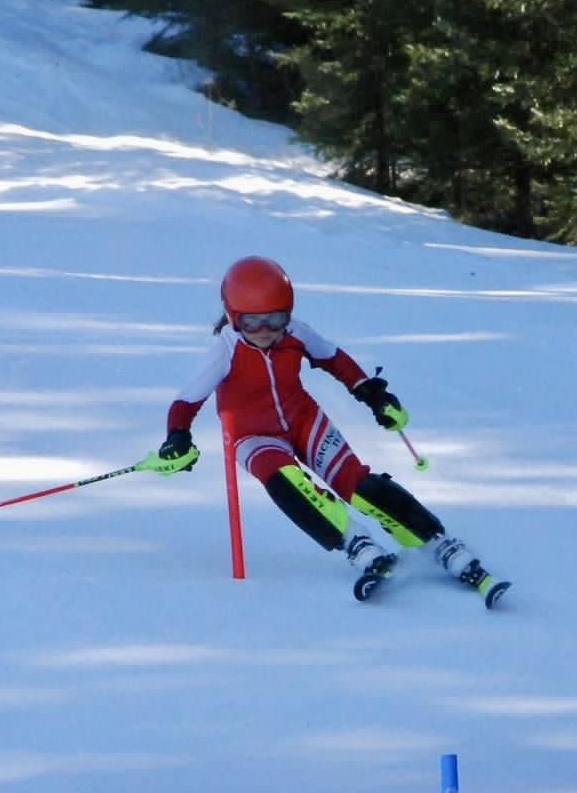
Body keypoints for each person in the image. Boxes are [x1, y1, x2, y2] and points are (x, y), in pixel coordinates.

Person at [154, 255, 507, 605]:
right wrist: (178, 436)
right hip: (254, 437)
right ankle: (356, 542)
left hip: (303, 420)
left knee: (357, 484)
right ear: (233, 317)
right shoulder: (225, 349)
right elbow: (186, 401)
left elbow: (333, 358)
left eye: (276, 319)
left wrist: (370, 392)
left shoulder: (296, 333)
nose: (265, 331)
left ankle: (434, 541)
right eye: (252, 322)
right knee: (286, 482)